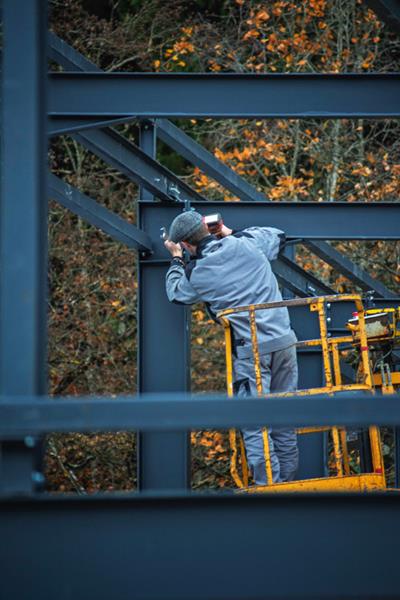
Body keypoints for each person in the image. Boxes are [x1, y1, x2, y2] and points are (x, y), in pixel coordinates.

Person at [164, 210, 298, 485]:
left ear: (187, 245)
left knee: (254, 421)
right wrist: (228, 233)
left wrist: (177, 259)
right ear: (208, 230)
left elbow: (176, 292)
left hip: (252, 352)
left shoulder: (198, 273)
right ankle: (289, 482)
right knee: (284, 416)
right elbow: (278, 236)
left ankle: (270, 489)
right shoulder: (247, 243)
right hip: (285, 342)